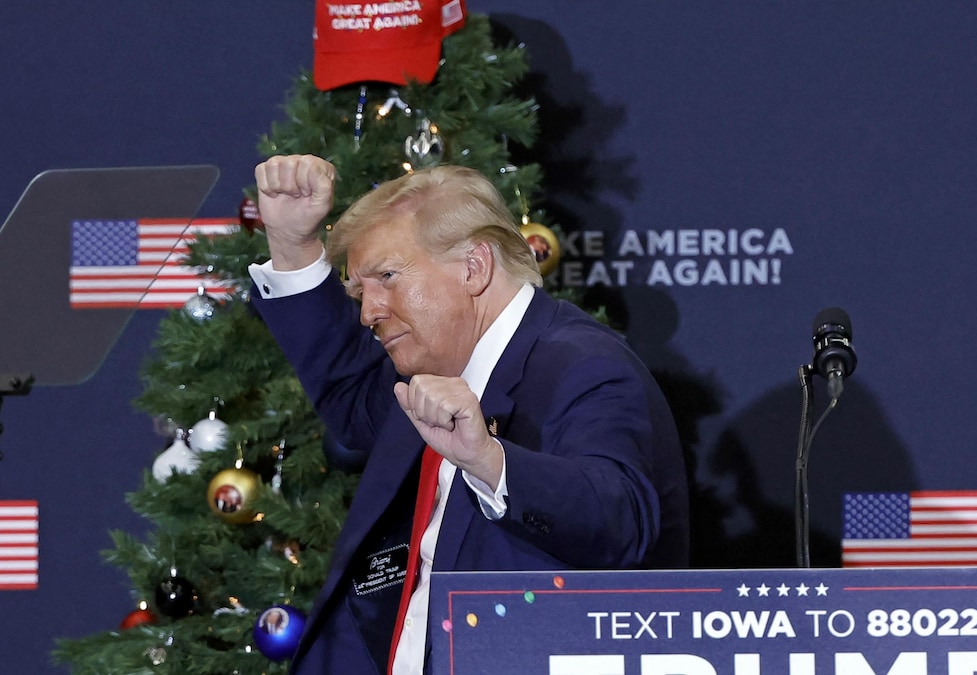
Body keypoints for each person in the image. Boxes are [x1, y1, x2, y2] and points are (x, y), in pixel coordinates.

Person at [248, 154, 688, 675]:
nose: (368, 312)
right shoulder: (431, 369)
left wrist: (490, 461)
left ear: (474, 267)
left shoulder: (581, 364)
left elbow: (623, 521)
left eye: (387, 276)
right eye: (359, 291)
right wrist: (294, 245)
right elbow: (349, 393)